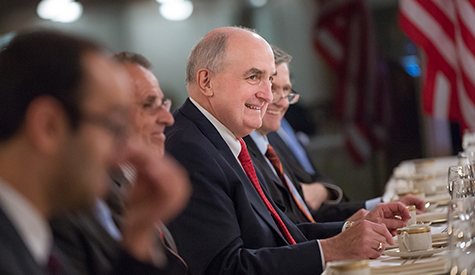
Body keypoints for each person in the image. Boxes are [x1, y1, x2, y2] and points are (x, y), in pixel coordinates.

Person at [165, 26, 410, 275]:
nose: (267, 95)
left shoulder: (225, 137)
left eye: (269, 79)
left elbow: (281, 232)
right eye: (253, 77)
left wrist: (351, 229)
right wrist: (331, 250)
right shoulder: (188, 150)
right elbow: (224, 268)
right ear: (206, 81)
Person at [0, 30, 190, 274]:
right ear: (48, 126)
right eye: (114, 126)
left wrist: (138, 235)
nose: (124, 151)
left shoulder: (28, 236)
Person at [244, 45, 426, 223]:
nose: (283, 103)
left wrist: (382, 206)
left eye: (286, 91)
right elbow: (292, 231)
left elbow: (310, 207)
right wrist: (344, 237)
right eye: (273, 90)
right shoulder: (244, 151)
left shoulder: (268, 138)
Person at [50, 51, 190, 274]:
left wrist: (139, 232)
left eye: (163, 103)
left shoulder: (134, 186)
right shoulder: (64, 210)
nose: (168, 118)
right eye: (149, 104)